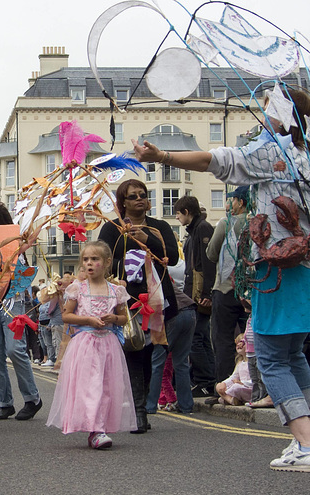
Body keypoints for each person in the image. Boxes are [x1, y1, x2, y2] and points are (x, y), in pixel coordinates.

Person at [132, 86, 310, 470]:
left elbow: (218, 160)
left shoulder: (274, 151)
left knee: (271, 357)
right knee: (293, 354)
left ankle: (306, 443)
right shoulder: (305, 151)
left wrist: (160, 155)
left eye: (268, 110)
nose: (262, 118)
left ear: (284, 114)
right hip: (303, 267)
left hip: (277, 270)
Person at [99, 178, 179, 433]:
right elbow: (103, 261)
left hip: (157, 299)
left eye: (143, 195)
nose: (140, 199)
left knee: (149, 355)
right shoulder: (112, 228)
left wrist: (147, 240)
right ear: (122, 202)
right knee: (133, 350)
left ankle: (139, 406)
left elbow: (173, 258)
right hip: (128, 301)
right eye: (133, 196)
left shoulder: (159, 227)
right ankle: (139, 411)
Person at [46, 241, 136, 449]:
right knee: (90, 386)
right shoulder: (77, 288)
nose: (89, 263)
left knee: (106, 386)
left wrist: (113, 317)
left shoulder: (116, 290)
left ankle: (101, 427)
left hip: (108, 344)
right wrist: (87, 320)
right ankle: (95, 430)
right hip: (85, 345)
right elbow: (67, 315)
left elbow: (124, 318)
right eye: (86, 259)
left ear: (106, 263)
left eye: (94, 259)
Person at [0, 200, 42, 421]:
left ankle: (32, 398)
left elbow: (23, 272)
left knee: (14, 349)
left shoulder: (16, 243)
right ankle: (5, 402)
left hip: (12, 301)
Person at [174, 195, 217, 397]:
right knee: (200, 337)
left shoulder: (202, 229)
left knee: (195, 339)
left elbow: (208, 262)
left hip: (199, 292)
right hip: (194, 291)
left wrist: (207, 292)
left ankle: (205, 380)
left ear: (186, 212)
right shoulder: (195, 231)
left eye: (178, 213)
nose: (177, 218)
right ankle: (208, 379)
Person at [206, 186, 249, 388]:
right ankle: (252, 385)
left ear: (240, 202)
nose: (228, 204)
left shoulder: (226, 222)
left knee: (222, 338)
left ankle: (223, 386)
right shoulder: (259, 222)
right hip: (252, 290)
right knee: (253, 339)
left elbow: (211, 253)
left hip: (225, 288)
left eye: (231, 200)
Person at [146, 248, 196, 415]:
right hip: (189, 310)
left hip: (172, 315)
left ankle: (150, 405)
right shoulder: (164, 273)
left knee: (158, 361)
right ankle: (186, 405)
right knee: (181, 363)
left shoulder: (150, 274)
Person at [216, 333, 252, 405]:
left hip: (249, 388)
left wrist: (243, 383)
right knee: (218, 386)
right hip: (239, 386)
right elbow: (233, 376)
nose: (238, 344)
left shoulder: (253, 362)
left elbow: (256, 379)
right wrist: (224, 383)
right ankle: (233, 400)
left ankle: (227, 398)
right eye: (237, 342)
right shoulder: (240, 363)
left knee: (236, 387)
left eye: (242, 342)